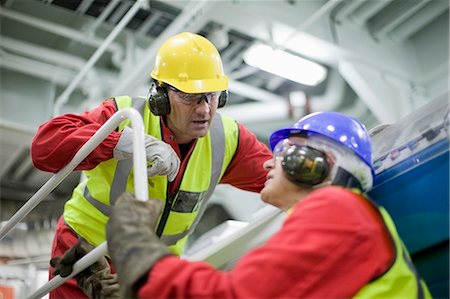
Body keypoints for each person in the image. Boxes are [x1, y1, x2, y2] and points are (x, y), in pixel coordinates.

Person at [30, 32, 272, 298]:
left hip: (150, 267)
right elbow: (45, 146)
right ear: (161, 96)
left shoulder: (228, 140)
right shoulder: (124, 115)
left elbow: (281, 179)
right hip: (86, 253)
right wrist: (120, 142)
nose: (204, 110)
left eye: (212, 96)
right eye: (191, 97)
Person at [106, 111, 432, 299]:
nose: (265, 165)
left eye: (283, 153)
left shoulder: (339, 209)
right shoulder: (333, 219)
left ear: (314, 163)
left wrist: (135, 246)